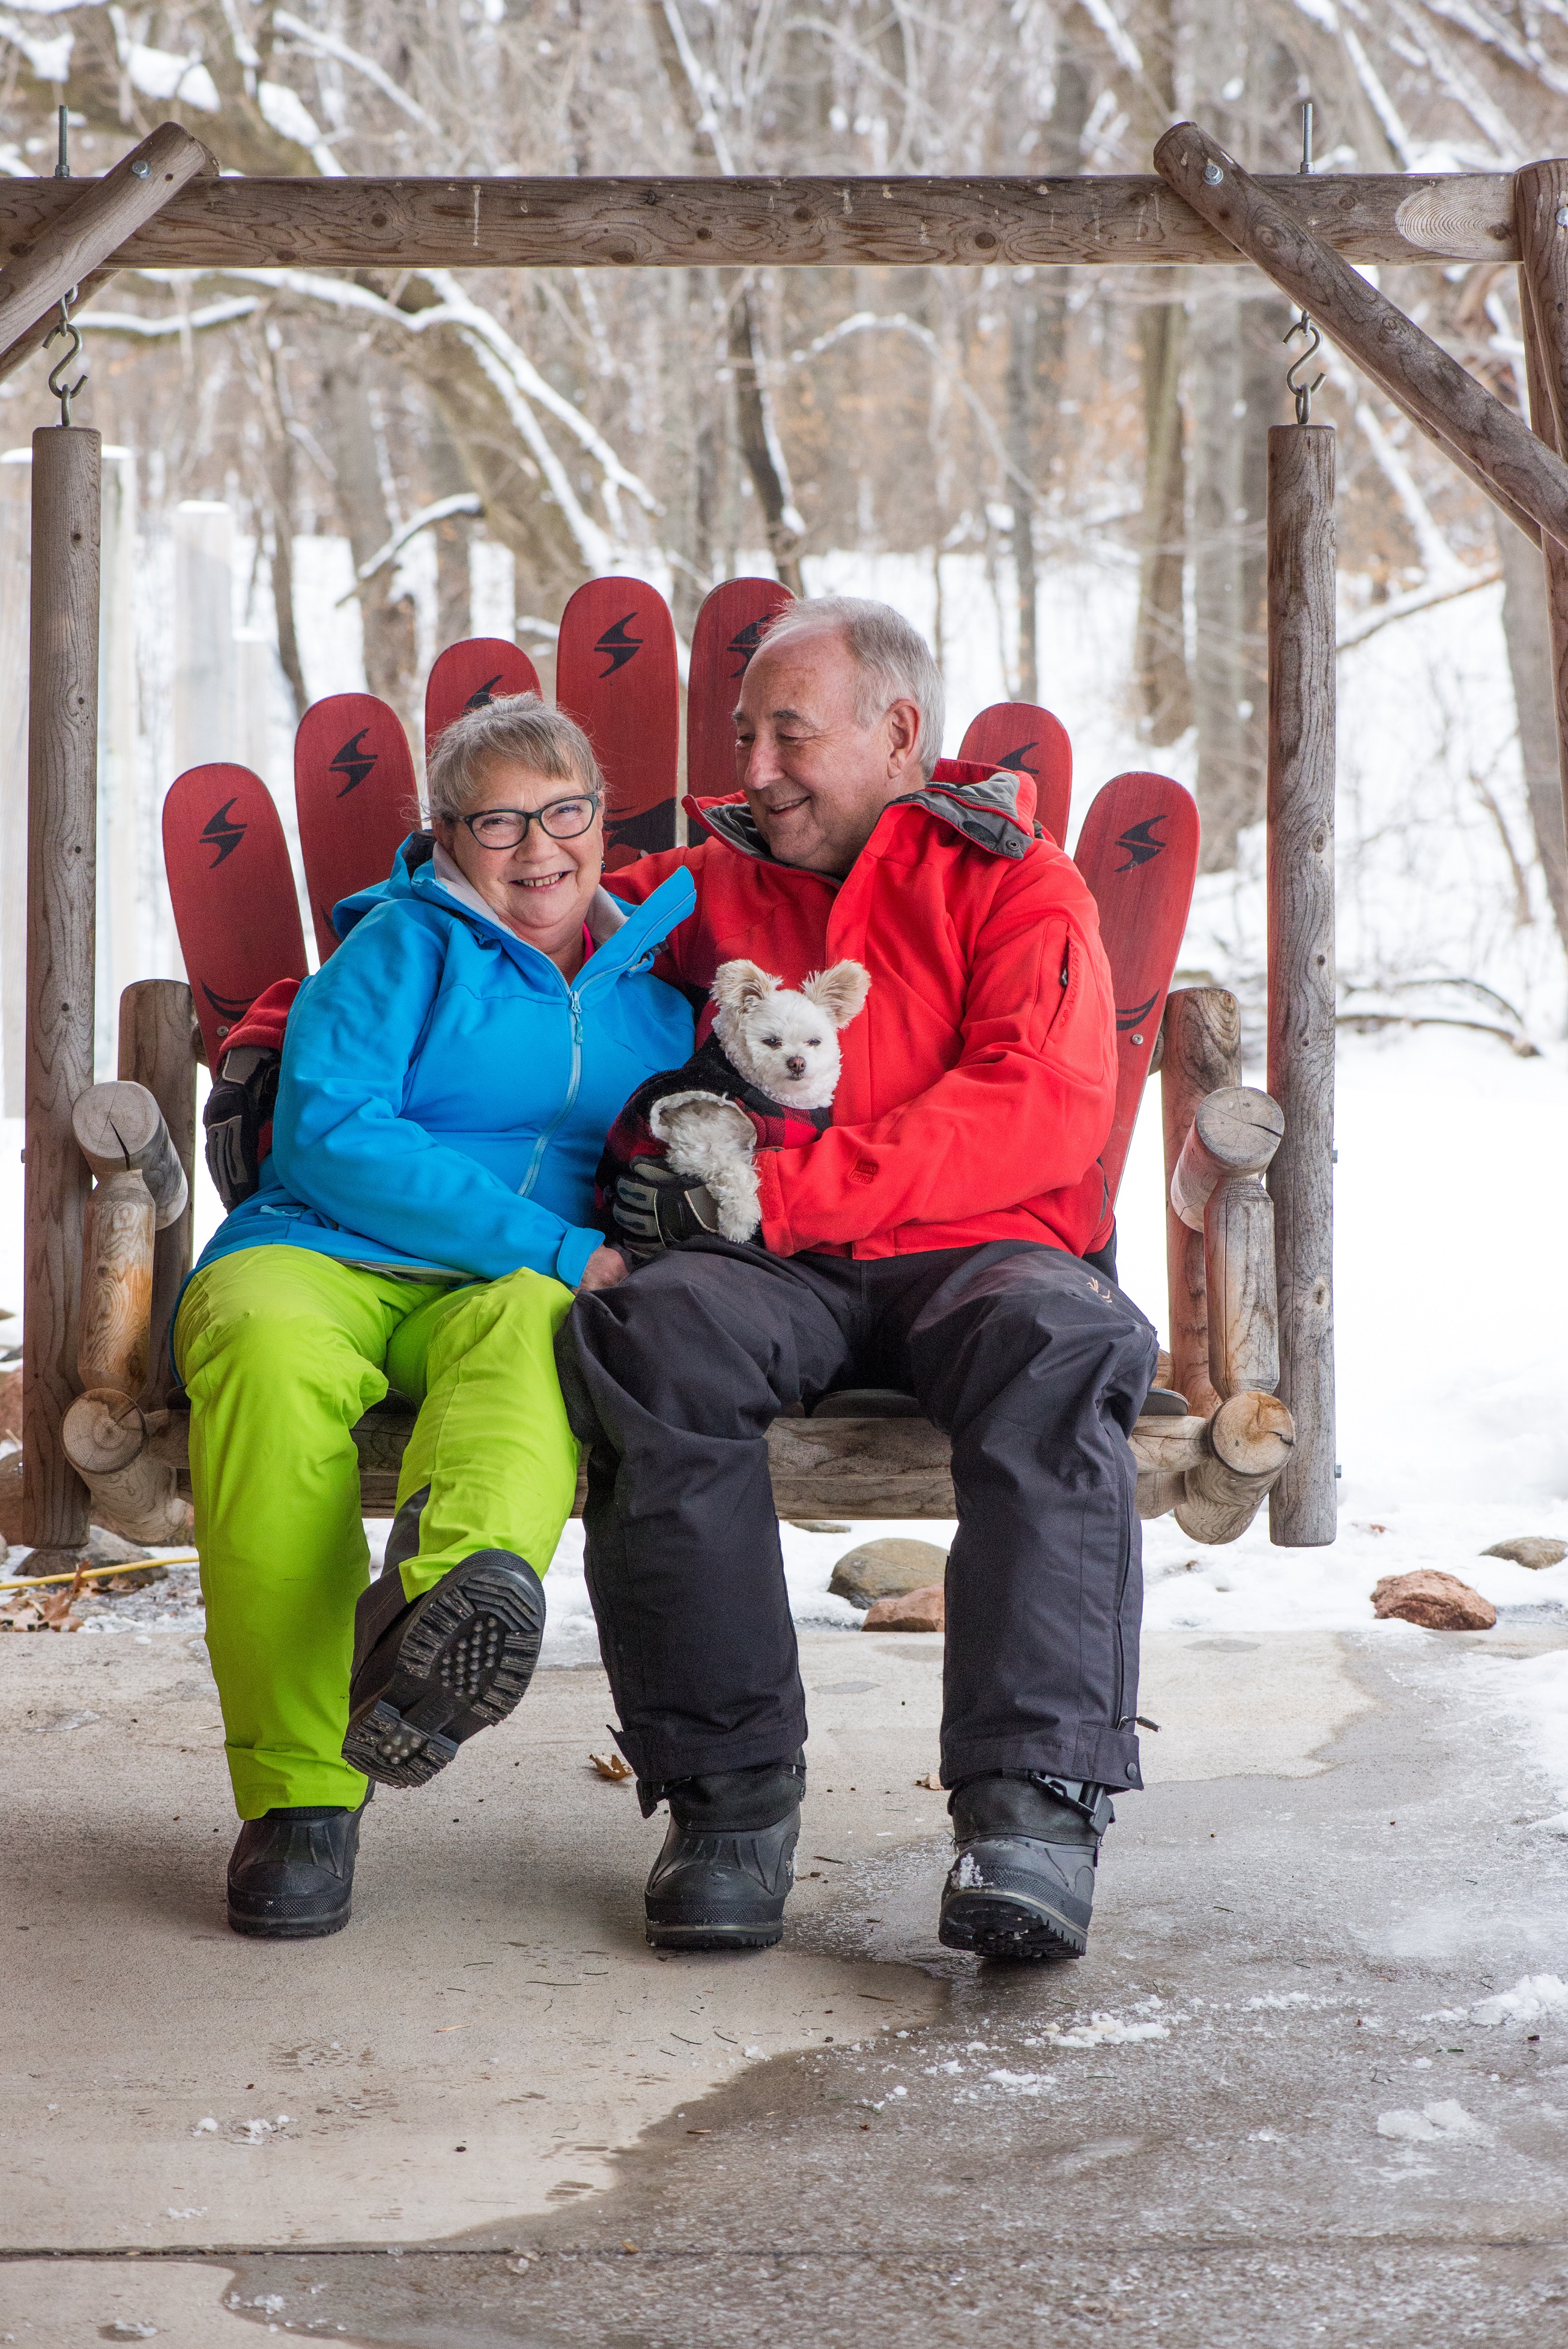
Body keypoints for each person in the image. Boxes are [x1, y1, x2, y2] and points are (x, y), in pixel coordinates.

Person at [561, 596, 1158, 1959]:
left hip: (984, 1246)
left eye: (790, 735)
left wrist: (786, 1192)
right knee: (649, 1341)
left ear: (897, 734)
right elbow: (511, 928)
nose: (757, 770)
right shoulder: (706, 878)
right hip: (784, 1265)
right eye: (743, 736)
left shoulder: (1015, 882)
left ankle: (1030, 1807)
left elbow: (1037, 1108)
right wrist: (268, 1025)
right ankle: (728, 1798)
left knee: (1059, 1354)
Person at [175, 696, 692, 1940]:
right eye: (499, 821)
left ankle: (443, 1628)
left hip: (497, 1292)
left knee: (532, 1341)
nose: (537, 848)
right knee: (264, 1356)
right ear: (447, 838)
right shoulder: (399, 950)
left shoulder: (655, 995)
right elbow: (334, 1135)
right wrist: (564, 1245)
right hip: (324, 1251)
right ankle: (301, 1800)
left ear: (600, 820)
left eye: (562, 812)